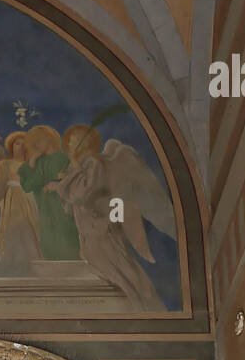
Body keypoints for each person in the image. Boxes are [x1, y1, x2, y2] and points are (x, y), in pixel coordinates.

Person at [52, 123, 164, 309]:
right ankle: (138, 304)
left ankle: (145, 306)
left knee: (124, 271)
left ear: (83, 144)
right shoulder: (81, 167)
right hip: (90, 229)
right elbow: (70, 203)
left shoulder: (93, 163)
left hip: (101, 229)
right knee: (114, 270)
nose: (69, 147)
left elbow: (83, 193)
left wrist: (62, 183)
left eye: (73, 142)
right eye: (69, 143)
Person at [18, 124, 79, 260]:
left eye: (39, 140)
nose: (37, 144)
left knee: (67, 238)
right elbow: (27, 186)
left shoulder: (64, 158)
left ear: (49, 138)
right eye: (34, 142)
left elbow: (74, 180)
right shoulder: (37, 162)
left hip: (64, 207)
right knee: (48, 239)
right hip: (45, 209)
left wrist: (58, 183)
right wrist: (33, 161)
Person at [0, 131, 42, 271]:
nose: (21, 147)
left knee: (29, 229)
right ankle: (10, 264)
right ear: (11, 146)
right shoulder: (5, 163)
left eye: (24, 144)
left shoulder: (31, 164)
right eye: (17, 143)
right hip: (11, 199)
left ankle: (32, 264)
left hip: (28, 198)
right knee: (12, 230)